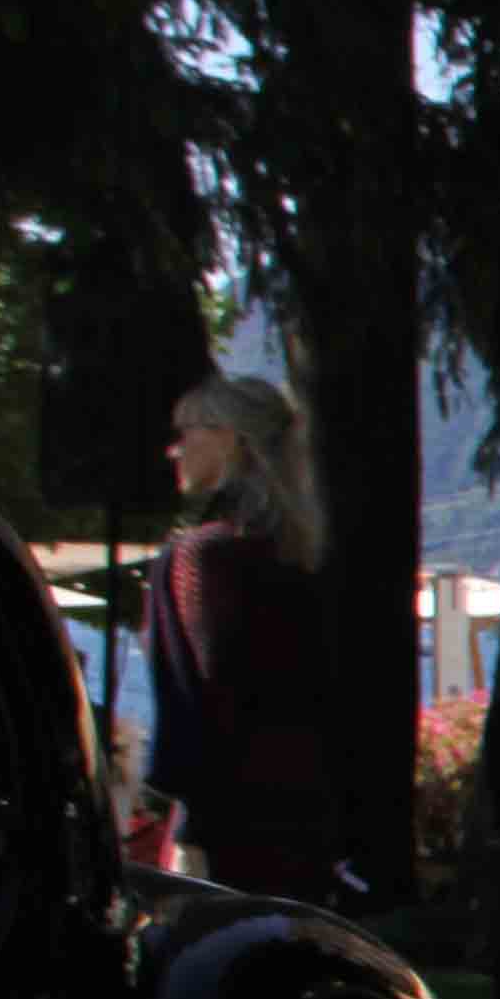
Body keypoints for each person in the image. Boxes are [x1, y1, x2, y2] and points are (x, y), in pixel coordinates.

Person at [139, 375, 344, 898]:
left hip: (229, 828)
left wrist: (189, 824)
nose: (173, 447)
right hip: (304, 817)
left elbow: (203, 703)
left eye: (187, 430)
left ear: (230, 437)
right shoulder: (303, 555)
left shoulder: (204, 556)